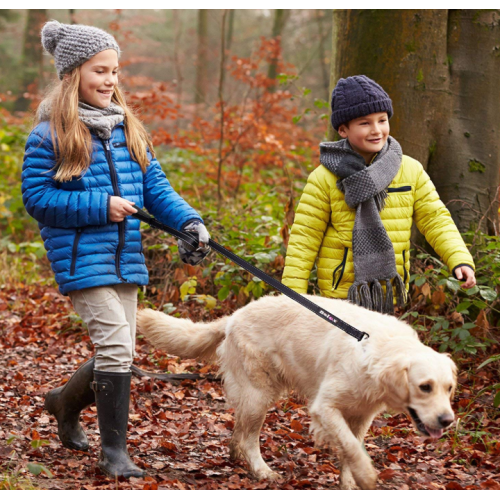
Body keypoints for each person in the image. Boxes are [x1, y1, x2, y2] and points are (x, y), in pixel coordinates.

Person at [21, 20, 210, 479]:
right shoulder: (50, 134)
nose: (110, 80)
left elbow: (156, 187)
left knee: (120, 351)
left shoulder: (128, 129)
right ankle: (114, 454)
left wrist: (189, 222)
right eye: (100, 71)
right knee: (115, 346)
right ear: (72, 75)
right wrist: (100, 205)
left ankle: (63, 404)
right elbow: (39, 200)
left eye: (115, 71)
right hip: (80, 257)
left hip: (125, 257)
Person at [281, 75, 475, 314]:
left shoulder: (409, 170)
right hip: (341, 295)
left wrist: (459, 259)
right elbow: (304, 239)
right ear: (343, 129)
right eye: (364, 123)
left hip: (388, 291)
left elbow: (435, 219)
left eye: (382, 120)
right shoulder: (324, 178)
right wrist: (292, 297)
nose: (376, 130)